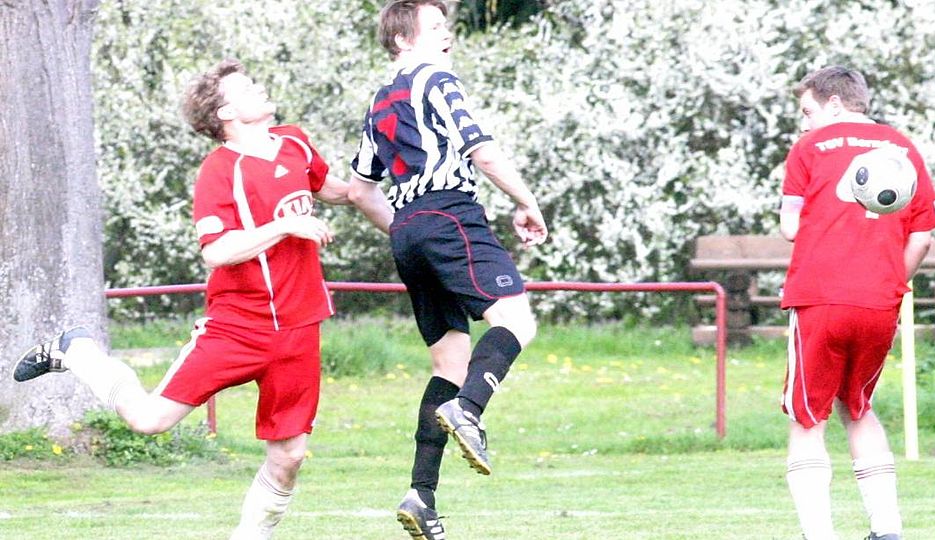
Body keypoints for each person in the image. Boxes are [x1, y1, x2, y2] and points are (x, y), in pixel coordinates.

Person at [12, 58, 368, 539]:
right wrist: (284, 225)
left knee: (289, 456)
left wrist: (389, 174)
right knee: (149, 420)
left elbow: (339, 191)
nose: (260, 88)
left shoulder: (295, 142)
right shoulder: (218, 171)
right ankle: (79, 351)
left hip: (299, 328)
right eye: (246, 87)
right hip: (237, 328)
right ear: (225, 113)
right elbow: (216, 252)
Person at [346, 1, 548, 537]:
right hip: (449, 213)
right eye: (434, 26)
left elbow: (361, 190)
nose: (446, 33)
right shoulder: (435, 78)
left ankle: (421, 495)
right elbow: (482, 151)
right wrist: (527, 202)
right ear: (402, 40)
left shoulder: (379, 102)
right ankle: (470, 410)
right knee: (516, 321)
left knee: (449, 363)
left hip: (408, 230)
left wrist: (407, 230)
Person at [778, 66, 935, 540]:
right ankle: (887, 529)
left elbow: (790, 228)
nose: (805, 122)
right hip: (878, 302)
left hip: (820, 296)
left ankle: (819, 534)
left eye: (807, 111)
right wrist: (889, 282)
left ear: (833, 103)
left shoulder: (809, 147)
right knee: (858, 406)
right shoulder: (903, 148)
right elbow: (923, 237)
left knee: (807, 416)